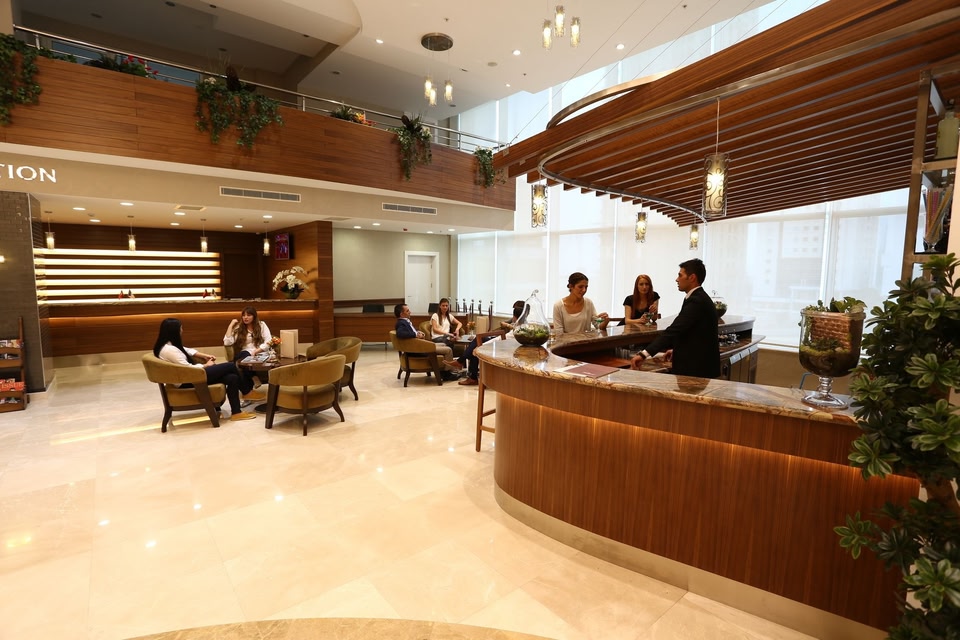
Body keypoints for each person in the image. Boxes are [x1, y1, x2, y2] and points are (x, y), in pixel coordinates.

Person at [630, 258, 720, 378]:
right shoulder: (698, 297)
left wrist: (644, 354)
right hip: (699, 366)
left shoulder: (696, 301)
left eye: (680, 275)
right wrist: (677, 350)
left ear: (692, 277)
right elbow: (695, 333)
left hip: (697, 369)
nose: (677, 279)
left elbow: (675, 329)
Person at [153, 317, 257, 421]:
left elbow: (186, 350)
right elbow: (187, 368)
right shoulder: (170, 350)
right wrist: (206, 365)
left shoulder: (168, 346)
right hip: (188, 379)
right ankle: (246, 392)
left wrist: (204, 355)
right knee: (231, 366)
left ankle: (236, 413)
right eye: (180, 328)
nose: (182, 330)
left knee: (232, 377)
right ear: (174, 331)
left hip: (190, 376)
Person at [459, 300, 524, 386]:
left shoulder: (518, 329)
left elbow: (501, 339)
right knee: (478, 340)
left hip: (503, 347)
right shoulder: (521, 324)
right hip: (502, 342)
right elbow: (502, 325)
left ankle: (466, 368)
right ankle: (463, 363)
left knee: (477, 346)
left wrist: (481, 346)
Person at [394, 304, 463, 379]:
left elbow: (409, 332)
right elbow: (400, 334)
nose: (410, 312)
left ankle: (445, 371)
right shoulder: (401, 323)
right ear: (401, 314)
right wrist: (415, 334)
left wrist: (418, 332)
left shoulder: (405, 322)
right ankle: (447, 374)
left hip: (420, 346)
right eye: (407, 311)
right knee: (448, 350)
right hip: (418, 349)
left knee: (443, 344)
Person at [223, 306, 270, 400]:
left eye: (248, 315)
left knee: (243, 363)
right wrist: (231, 325)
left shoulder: (262, 325)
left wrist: (256, 351)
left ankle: (248, 393)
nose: (245, 317)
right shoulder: (239, 327)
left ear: (254, 316)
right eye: (243, 315)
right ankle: (253, 379)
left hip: (260, 353)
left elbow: (268, 341)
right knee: (244, 357)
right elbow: (227, 342)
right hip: (245, 354)